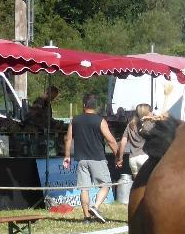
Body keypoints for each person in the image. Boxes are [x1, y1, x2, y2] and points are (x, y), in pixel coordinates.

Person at [63, 94, 119, 223]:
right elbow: (110, 140)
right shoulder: (100, 121)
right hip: (97, 158)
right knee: (106, 185)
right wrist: (118, 155)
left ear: (84, 106)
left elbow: (68, 139)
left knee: (84, 189)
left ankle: (86, 218)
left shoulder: (75, 120)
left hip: (81, 159)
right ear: (96, 107)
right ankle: (95, 206)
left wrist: (67, 156)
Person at [116, 104, 152, 176]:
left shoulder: (130, 125)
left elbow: (123, 143)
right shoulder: (150, 124)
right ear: (146, 112)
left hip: (132, 159)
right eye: (150, 111)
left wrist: (120, 158)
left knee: (138, 186)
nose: (152, 113)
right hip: (145, 157)